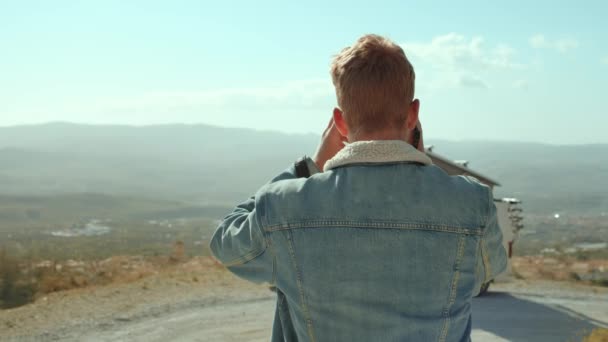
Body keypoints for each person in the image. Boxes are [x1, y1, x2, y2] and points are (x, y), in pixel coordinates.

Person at [210, 34, 507, 342]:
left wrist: (308, 167)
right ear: (413, 114)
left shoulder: (284, 208)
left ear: (339, 122)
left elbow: (226, 245)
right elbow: (485, 271)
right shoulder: (471, 203)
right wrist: (424, 168)